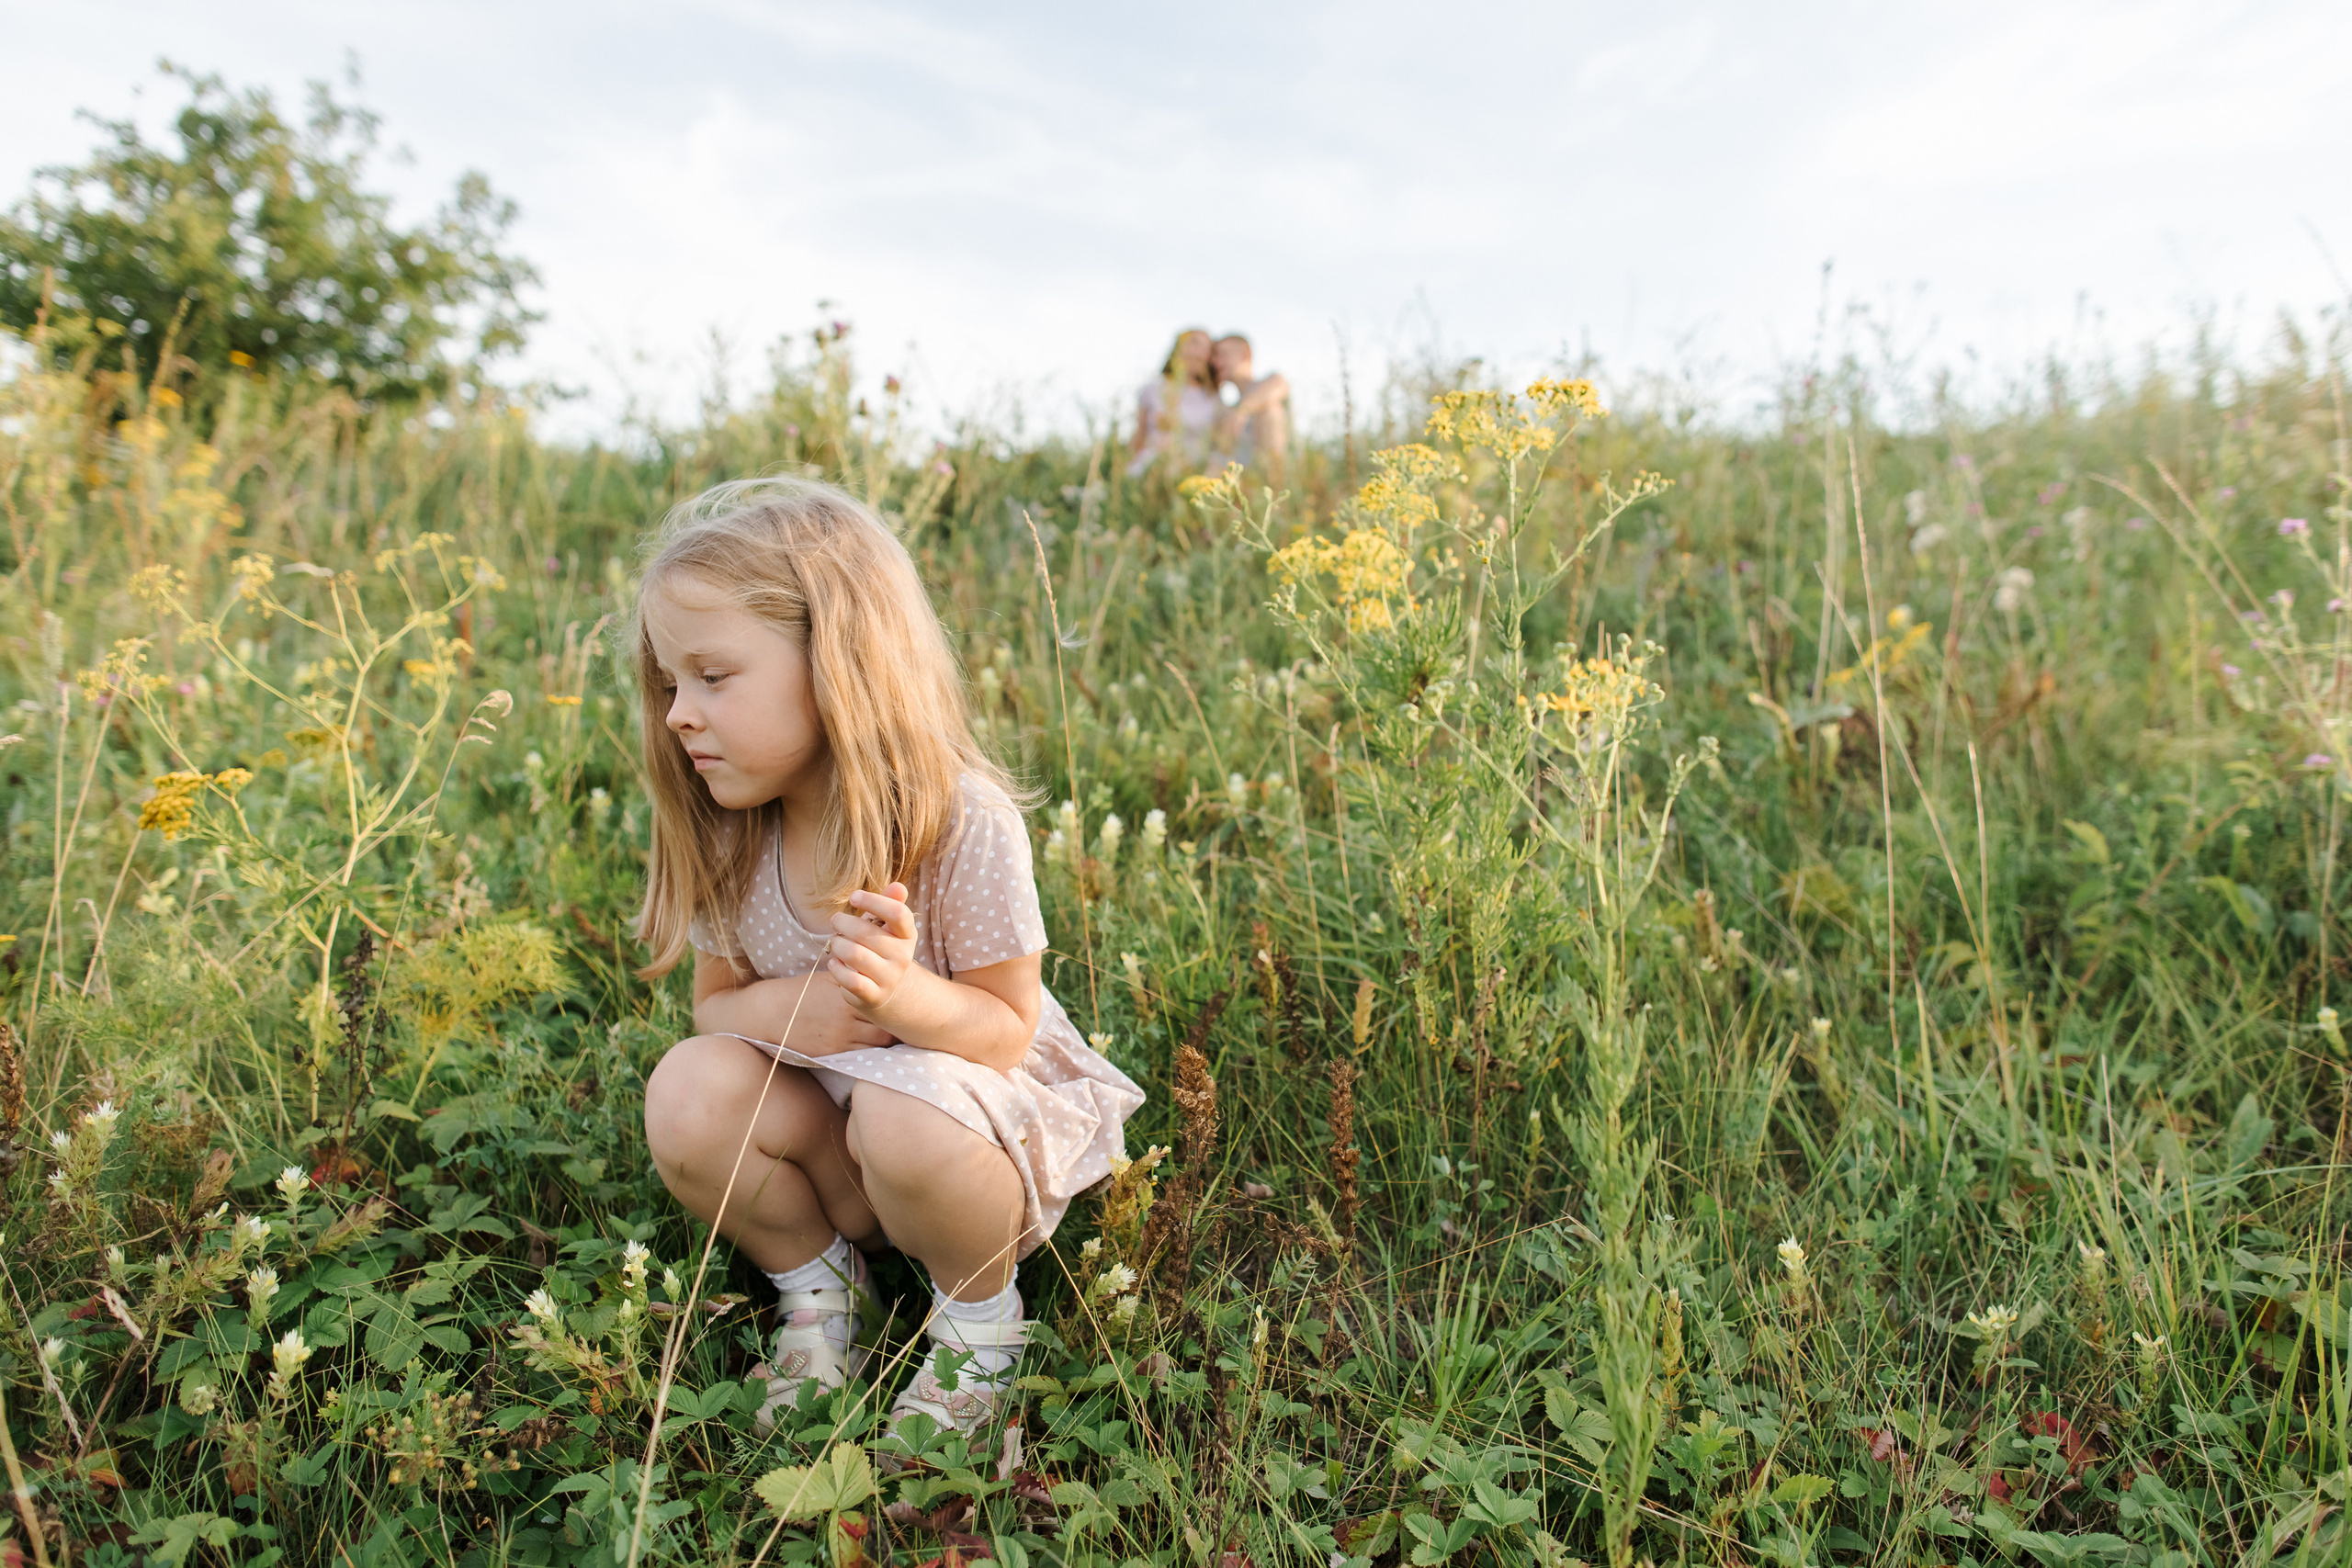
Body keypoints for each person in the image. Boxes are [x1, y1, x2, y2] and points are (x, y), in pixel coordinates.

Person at [633, 476, 1145, 1438]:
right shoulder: (733, 833)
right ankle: (826, 1293)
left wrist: (906, 1001)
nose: (677, 716)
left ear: (838, 661)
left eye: (711, 676)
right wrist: (799, 1014)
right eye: (668, 684)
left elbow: (1003, 1032)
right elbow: (713, 1010)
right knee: (687, 1089)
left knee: (904, 1115)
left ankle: (979, 1321)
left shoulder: (960, 822)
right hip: (831, 1138)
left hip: (956, 1135)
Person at [1126, 328, 1220, 476]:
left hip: (1196, 469)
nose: (1199, 352)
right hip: (1155, 466)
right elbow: (1139, 437)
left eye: (1207, 348)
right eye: (1194, 343)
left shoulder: (1212, 398)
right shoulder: (1154, 388)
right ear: (1179, 347)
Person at [1210, 333, 1290, 481]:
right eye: (1214, 357)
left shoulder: (1268, 386)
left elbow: (1279, 384)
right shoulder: (1227, 408)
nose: (1216, 363)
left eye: (1223, 355)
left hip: (1274, 479)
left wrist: (1241, 411)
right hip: (1243, 483)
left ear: (1244, 355)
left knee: (1270, 410)